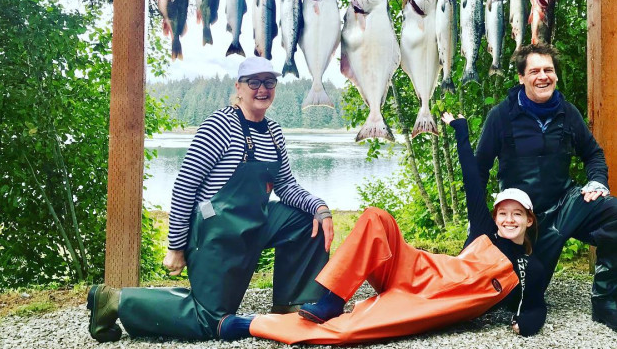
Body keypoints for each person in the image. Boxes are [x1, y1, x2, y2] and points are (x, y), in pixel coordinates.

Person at [215, 112, 546, 344]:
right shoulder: (485, 232)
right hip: (421, 269)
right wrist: (460, 130)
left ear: (529, 220)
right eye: (503, 212)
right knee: (376, 217)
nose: (509, 219)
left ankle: (252, 325)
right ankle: (332, 299)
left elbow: (534, 306)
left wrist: (525, 325)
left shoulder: (529, 265)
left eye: (518, 214)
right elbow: (472, 180)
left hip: (437, 299)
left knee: (351, 332)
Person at [87, 56, 335, 342]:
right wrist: (176, 247)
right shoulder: (219, 125)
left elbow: (287, 186)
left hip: (255, 222)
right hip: (214, 232)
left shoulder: (274, 132)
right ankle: (115, 300)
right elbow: (184, 186)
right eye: (254, 82)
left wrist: (320, 207)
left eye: (269, 82)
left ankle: (292, 305)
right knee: (210, 321)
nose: (262, 89)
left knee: (308, 219)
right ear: (239, 88)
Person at [475, 42, 617, 333]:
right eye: (535, 71)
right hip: (523, 217)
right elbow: (478, 170)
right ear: (521, 77)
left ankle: (608, 305)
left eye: (549, 70)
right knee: (510, 299)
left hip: (566, 204)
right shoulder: (501, 116)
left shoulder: (568, 113)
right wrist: (478, 225)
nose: (543, 76)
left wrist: (597, 181)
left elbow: (593, 154)